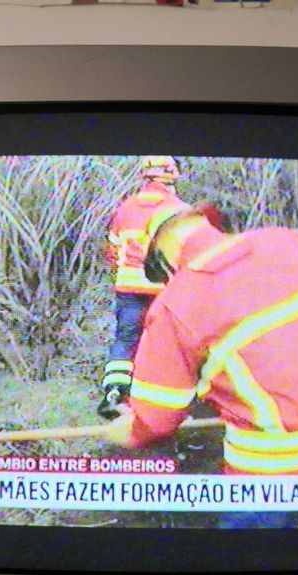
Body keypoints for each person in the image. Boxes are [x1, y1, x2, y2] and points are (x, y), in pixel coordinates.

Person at [105, 204, 298, 527]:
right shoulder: (290, 240)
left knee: (245, 548)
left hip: (287, 450)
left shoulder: (175, 303)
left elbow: (158, 417)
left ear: (163, 261)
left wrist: (130, 432)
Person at [97, 156, 188, 418]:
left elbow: (112, 250)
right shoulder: (178, 209)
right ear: (172, 174)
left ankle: (115, 392)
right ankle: (162, 403)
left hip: (128, 285)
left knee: (125, 339)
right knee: (165, 343)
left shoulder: (125, 208)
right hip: (162, 287)